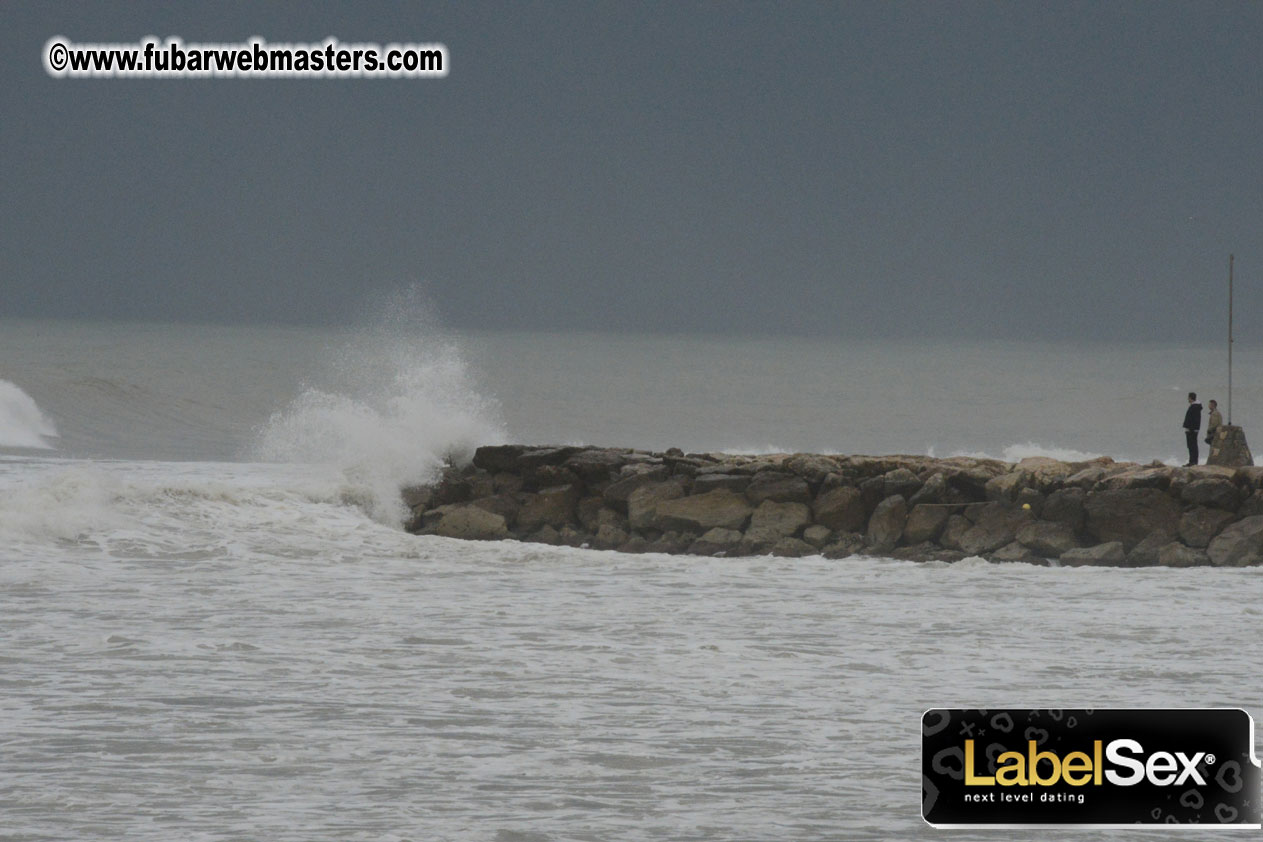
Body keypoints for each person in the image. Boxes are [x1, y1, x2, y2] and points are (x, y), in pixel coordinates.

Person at [1183, 392, 1203, 466]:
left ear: (1191, 398)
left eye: (1188, 398)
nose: (1188, 399)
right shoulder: (1195, 406)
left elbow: (1194, 419)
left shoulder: (1195, 407)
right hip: (1192, 429)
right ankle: (1192, 461)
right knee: (1191, 445)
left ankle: (1193, 461)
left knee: (1192, 446)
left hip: (1192, 430)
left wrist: (1191, 429)